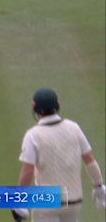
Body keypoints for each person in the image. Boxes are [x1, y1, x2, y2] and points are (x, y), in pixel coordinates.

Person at [11, 88, 106, 222]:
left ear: (34, 107)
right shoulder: (74, 128)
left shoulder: (33, 135)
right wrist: (99, 187)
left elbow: (28, 171)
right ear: (58, 105)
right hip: (74, 201)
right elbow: (90, 161)